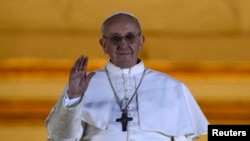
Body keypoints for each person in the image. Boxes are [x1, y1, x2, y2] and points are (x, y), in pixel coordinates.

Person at [45, 11, 209, 141]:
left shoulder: (172, 88)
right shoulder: (83, 86)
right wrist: (74, 97)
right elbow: (61, 139)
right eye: (115, 38)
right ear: (104, 45)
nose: (123, 44)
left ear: (140, 42)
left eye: (130, 37)